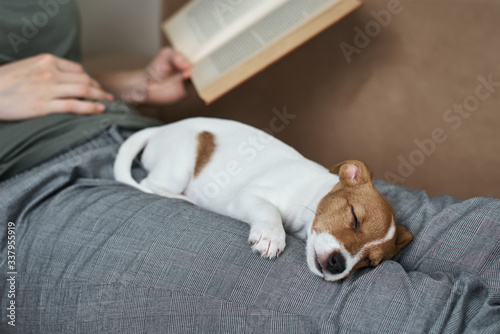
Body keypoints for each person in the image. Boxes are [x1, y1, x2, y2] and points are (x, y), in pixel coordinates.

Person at [1, 1, 499, 333]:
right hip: (30, 188)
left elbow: (51, 73)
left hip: (124, 131)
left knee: (470, 237)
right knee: (407, 317)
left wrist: (137, 86)